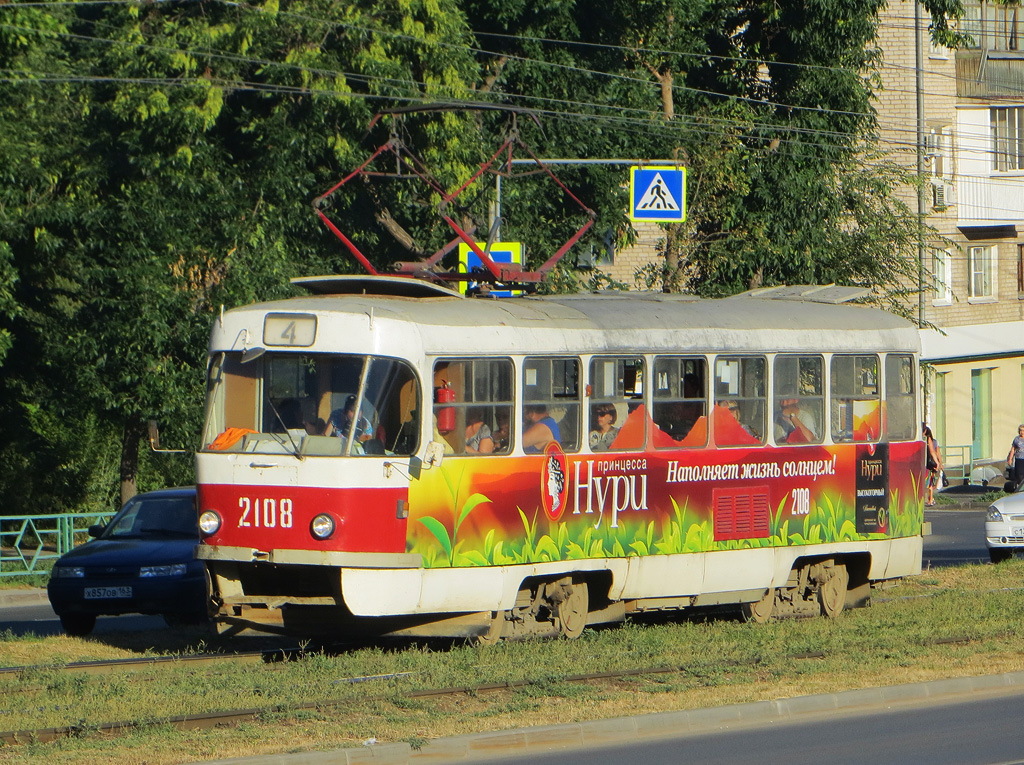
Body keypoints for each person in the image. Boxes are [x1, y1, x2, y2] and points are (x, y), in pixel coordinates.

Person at [923, 423, 943, 506]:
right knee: (929, 483)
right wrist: (939, 463)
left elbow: (934, 452)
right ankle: (930, 499)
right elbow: (935, 452)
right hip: (928, 465)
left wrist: (939, 463)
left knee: (928, 483)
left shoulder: (928, 440)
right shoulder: (930, 440)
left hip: (928, 465)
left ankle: (930, 499)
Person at [1007, 424, 1024, 490]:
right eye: (1020, 430)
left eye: (1023, 430)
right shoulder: (1017, 439)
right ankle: (1020, 488)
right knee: (1019, 474)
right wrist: (1010, 459)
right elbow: (1013, 449)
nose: (1022, 432)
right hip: (1019, 459)